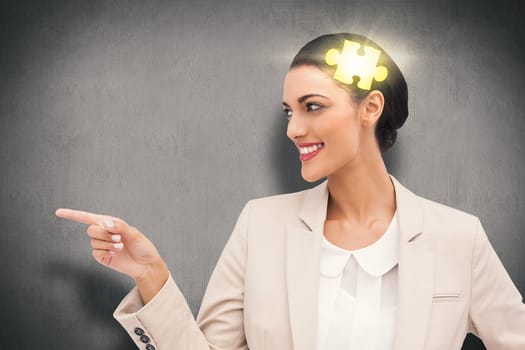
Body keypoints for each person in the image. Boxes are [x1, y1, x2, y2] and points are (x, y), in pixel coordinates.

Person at [55, 33, 525, 350]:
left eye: (313, 107)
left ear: (371, 107)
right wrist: (150, 275)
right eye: (288, 112)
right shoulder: (261, 225)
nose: (294, 129)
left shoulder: (457, 237)